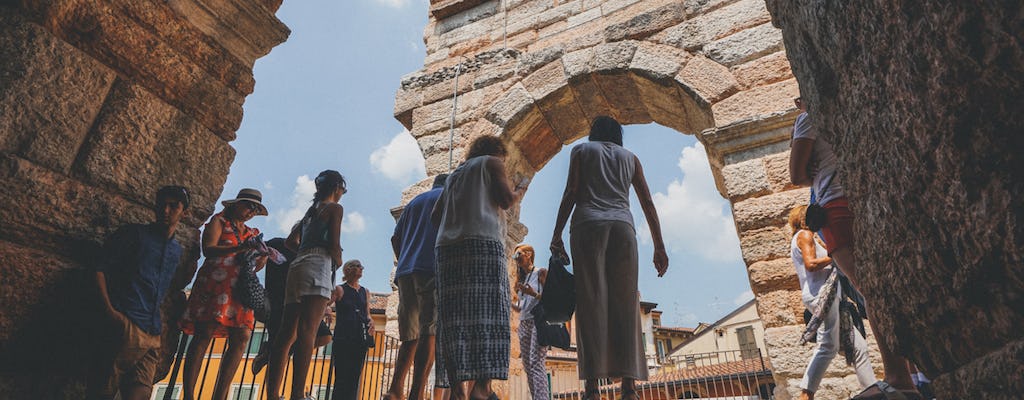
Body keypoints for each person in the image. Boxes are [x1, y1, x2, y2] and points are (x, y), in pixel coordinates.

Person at [788, 98, 919, 399]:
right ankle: (914, 370)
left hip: (835, 207)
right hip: (867, 196)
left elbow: (797, 176)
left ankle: (900, 377)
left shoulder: (808, 119)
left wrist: (808, 161)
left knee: (870, 290)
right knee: (885, 285)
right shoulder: (851, 104)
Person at [549, 116, 669, 400]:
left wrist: (556, 234)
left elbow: (571, 192)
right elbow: (647, 202)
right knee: (626, 305)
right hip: (622, 228)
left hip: (588, 225)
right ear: (618, 135)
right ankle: (629, 387)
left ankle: (592, 387)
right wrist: (659, 246)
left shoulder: (581, 151)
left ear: (593, 133)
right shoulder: (631, 158)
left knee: (590, 303)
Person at [431, 135, 527, 400]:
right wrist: (520, 190)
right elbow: (506, 200)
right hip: (482, 243)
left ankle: (457, 393)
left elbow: (435, 216)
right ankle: (481, 390)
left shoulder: (454, 175)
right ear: (498, 152)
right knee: (491, 313)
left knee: (453, 319)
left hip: (447, 250)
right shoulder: (491, 163)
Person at [87, 186, 191, 400]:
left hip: (152, 332)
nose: (165, 210)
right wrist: (110, 313)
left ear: (184, 213)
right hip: (125, 323)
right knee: (101, 392)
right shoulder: (133, 235)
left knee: (141, 392)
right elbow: (99, 269)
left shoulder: (176, 251)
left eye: (173, 206)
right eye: (162, 204)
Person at [179, 188, 269, 400]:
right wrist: (239, 248)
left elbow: (254, 265)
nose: (251, 211)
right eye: (248, 206)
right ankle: (189, 395)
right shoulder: (219, 222)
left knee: (242, 337)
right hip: (216, 284)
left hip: (240, 289)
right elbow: (208, 249)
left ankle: (220, 396)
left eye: (255, 209)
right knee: (204, 334)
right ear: (235, 204)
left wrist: (262, 258)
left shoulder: (251, 232)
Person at [265, 170, 347, 400]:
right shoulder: (334, 208)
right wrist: (338, 259)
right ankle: (297, 394)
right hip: (318, 265)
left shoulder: (309, 214)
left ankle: (272, 394)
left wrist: (304, 251)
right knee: (308, 332)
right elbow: (334, 244)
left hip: (298, 265)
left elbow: (290, 242)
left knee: (286, 333)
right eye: (343, 190)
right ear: (337, 188)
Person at [789, 206, 875, 400]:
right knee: (828, 345)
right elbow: (811, 265)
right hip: (822, 295)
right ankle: (805, 395)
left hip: (828, 295)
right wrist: (835, 255)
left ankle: (872, 389)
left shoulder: (801, 237)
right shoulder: (805, 235)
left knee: (857, 346)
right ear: (804, 218)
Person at [384, 173, 448, 400]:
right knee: (429, 332)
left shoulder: (414, 203)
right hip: (431, 268)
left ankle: (394, 389)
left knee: (410, 336)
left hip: (405, 272)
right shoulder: (449, 197)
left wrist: (404, 258)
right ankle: (416, 393)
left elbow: (394, 238)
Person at [251, 237, 333, 375]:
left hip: (301, 300)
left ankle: (270, 352)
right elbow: (259, 258)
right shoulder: (277, 243)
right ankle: (273, 393)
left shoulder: (306, 253)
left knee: (324, 336)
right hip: (279, 300)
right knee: (280, 345)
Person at [510, 244, 549, 400]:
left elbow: (550, 299)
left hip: (538, 321)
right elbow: (521, 307)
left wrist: (532, 293)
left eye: (518, 254)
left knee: (536, 363)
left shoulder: (540, 273)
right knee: (528, 366)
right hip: (524, 323)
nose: (516, 258)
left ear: (528, 254)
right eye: (514, 256)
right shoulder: (521, 280)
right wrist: (509, 303)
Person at [332, 260, 374, 400]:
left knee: (355, 376)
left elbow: (367, 313)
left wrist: (371, 321)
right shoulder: (339, 289)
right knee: (342, 376)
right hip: (343, 338)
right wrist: (326, 310)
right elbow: (326, 303)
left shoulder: (365, 291)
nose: (362, 268)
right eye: (358, 266)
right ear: (348, 269)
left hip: (359, 339)